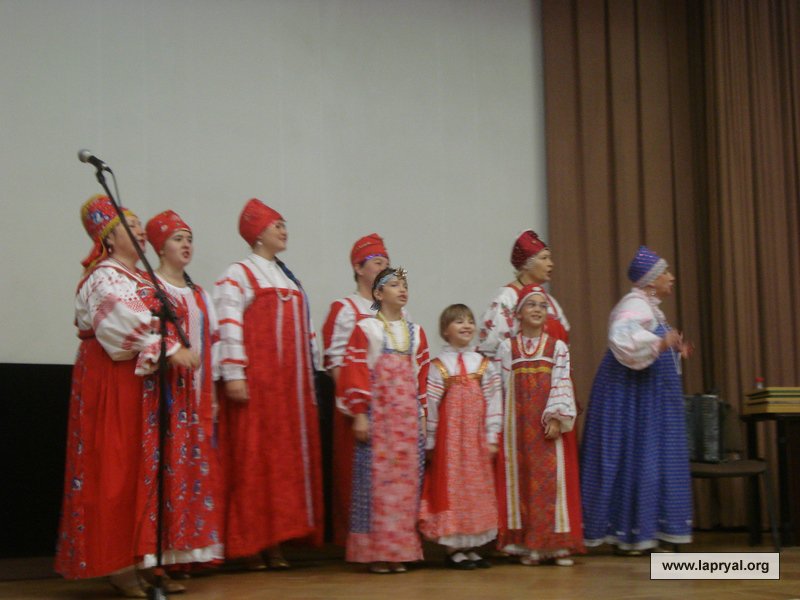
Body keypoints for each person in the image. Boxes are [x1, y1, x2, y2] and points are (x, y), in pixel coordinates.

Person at [56, 195, 199, 598]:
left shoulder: (139, 277)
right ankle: (118, 564)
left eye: (139, 225)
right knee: (116, 468)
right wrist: (170, 348)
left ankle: (144, 561)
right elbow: (122, 320)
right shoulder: (105, 276)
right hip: (114, 380)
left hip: (144, 383)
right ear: (108, 236)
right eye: (130, 226)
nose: (139, 231)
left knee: (144, 471)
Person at [213, 198, 323, 569]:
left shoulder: (289, 277)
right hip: (257, 385)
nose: (283, 230)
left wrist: (310, 377)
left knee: (281, 464)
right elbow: (227, 324)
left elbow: (306, 332)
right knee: (253, 461)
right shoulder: (239, 273)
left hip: (288, 390)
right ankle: (249, 543)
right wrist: (234, 373)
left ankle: (274, 541)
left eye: (283, 224)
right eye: (277, 225)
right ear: (257, 232)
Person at [580, 246, 693, 555]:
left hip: (647, 397)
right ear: (651, 280)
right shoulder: (635, 304)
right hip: (632, 399)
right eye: (665, 272)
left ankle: (644, 533)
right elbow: (622, 337)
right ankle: (631, 535)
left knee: (648, 457)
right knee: (637, 455)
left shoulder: (649, 307)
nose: (672, 277)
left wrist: (671, 346)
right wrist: (660, 342)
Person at [476, 229, 583, 547]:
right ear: (527, 263)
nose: (551, 264)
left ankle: (554, 537)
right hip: (519, 403)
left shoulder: (550, 302)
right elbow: (492, 353)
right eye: (545, 258)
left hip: (553, 397)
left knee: (554, 470)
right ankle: (521, 537)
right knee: (520, 469)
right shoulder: (506, 299)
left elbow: (561, 345)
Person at [143, 210, 223, 578]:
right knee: (164, 474)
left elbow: (212, 344)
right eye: (178, 238)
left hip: (197, 397)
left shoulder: (199, 294)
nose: (186, 244)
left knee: (192, 474)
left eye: (189, 238)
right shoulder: (150, 286)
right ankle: (157, 558)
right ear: (160, 247)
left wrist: (213, 394)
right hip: (163, 396)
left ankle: (184, 554)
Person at [336, 267, 429, 574]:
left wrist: (423, 416)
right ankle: (376, 552)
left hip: (407, 423)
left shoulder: (417, 332)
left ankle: (399, 551)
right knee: (377, 485)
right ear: (378, 293)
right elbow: (355, 373)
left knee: (405, 487)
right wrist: (360, 415)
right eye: (394, 285)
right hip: (379, 420)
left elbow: (421, 378)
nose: (402, 289)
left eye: (405, 285)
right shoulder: (367, 329)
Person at [496, 285, 583, 566]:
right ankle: (529, 543)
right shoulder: (507, 348)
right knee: (522, 480)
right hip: (517, 428)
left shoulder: (557, 347)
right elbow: (500, 388)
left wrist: (556, 417)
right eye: (531, 305)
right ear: (519, 313)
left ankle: (554, 545)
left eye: (542, 305)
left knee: (550, 481)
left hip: (546, 425)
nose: (537, 309)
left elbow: (562, 382)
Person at [418, 304, 501, 570]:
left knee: (475, 489)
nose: (466, 326)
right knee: (452, 488)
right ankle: (454, 548)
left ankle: (472, 545)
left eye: (469, 321)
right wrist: (431, 440)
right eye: (458, 322)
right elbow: (431, 404)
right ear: (445, 330)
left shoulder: (484, 365)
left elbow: (494, 401)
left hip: (476, 440)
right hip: (450, 441)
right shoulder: (439, 366)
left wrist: (492, 435)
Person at [321, 233, 390, 546]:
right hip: (358, 406)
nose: (384, 268)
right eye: (377, 262)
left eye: (387, 263)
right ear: (359, 268)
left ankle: (389, 541)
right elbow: (335, 361)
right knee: (357, 475)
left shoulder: (395, 309)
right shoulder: (345, 308)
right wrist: (355, 405)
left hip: (392, 407)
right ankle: (361, 544)